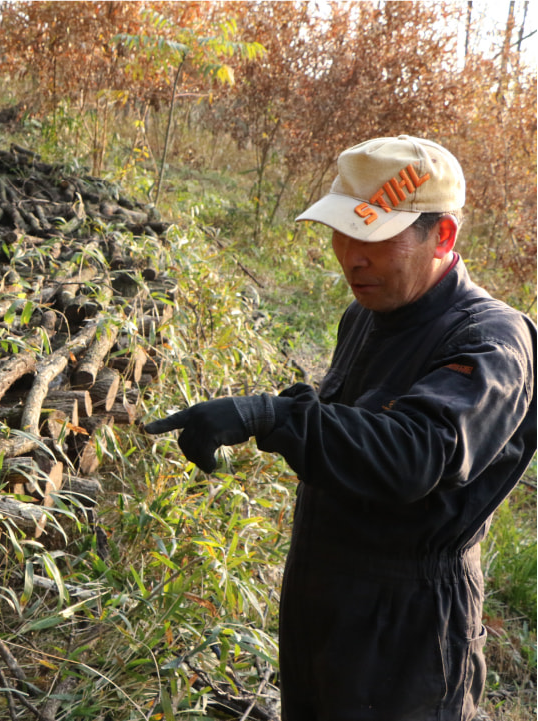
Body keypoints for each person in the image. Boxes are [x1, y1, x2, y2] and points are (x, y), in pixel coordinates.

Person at [144, 135, 536, 719]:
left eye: (375, 239)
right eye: (342, 232)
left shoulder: (492, 343)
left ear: (442, 237)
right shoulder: (369, 312)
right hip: (324, 595)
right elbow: (348, 429)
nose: (350, 257)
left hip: (409, 628)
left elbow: (415, 455)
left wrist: (270, 415)